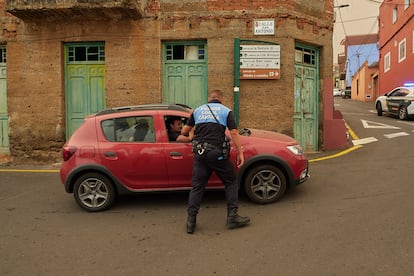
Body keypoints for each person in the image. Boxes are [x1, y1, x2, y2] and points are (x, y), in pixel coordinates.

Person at [180, 89, 250, 234]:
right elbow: (234, 133)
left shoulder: (198, 111)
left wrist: (193, 130)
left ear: (209, 98)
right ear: (221, 99)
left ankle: (191, 222)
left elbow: (184, 132)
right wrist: (240, 152)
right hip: (217, 154)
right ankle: (232, 217)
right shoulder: (226, 111)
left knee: (197, 187)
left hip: (200, 154)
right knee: (230, 181)